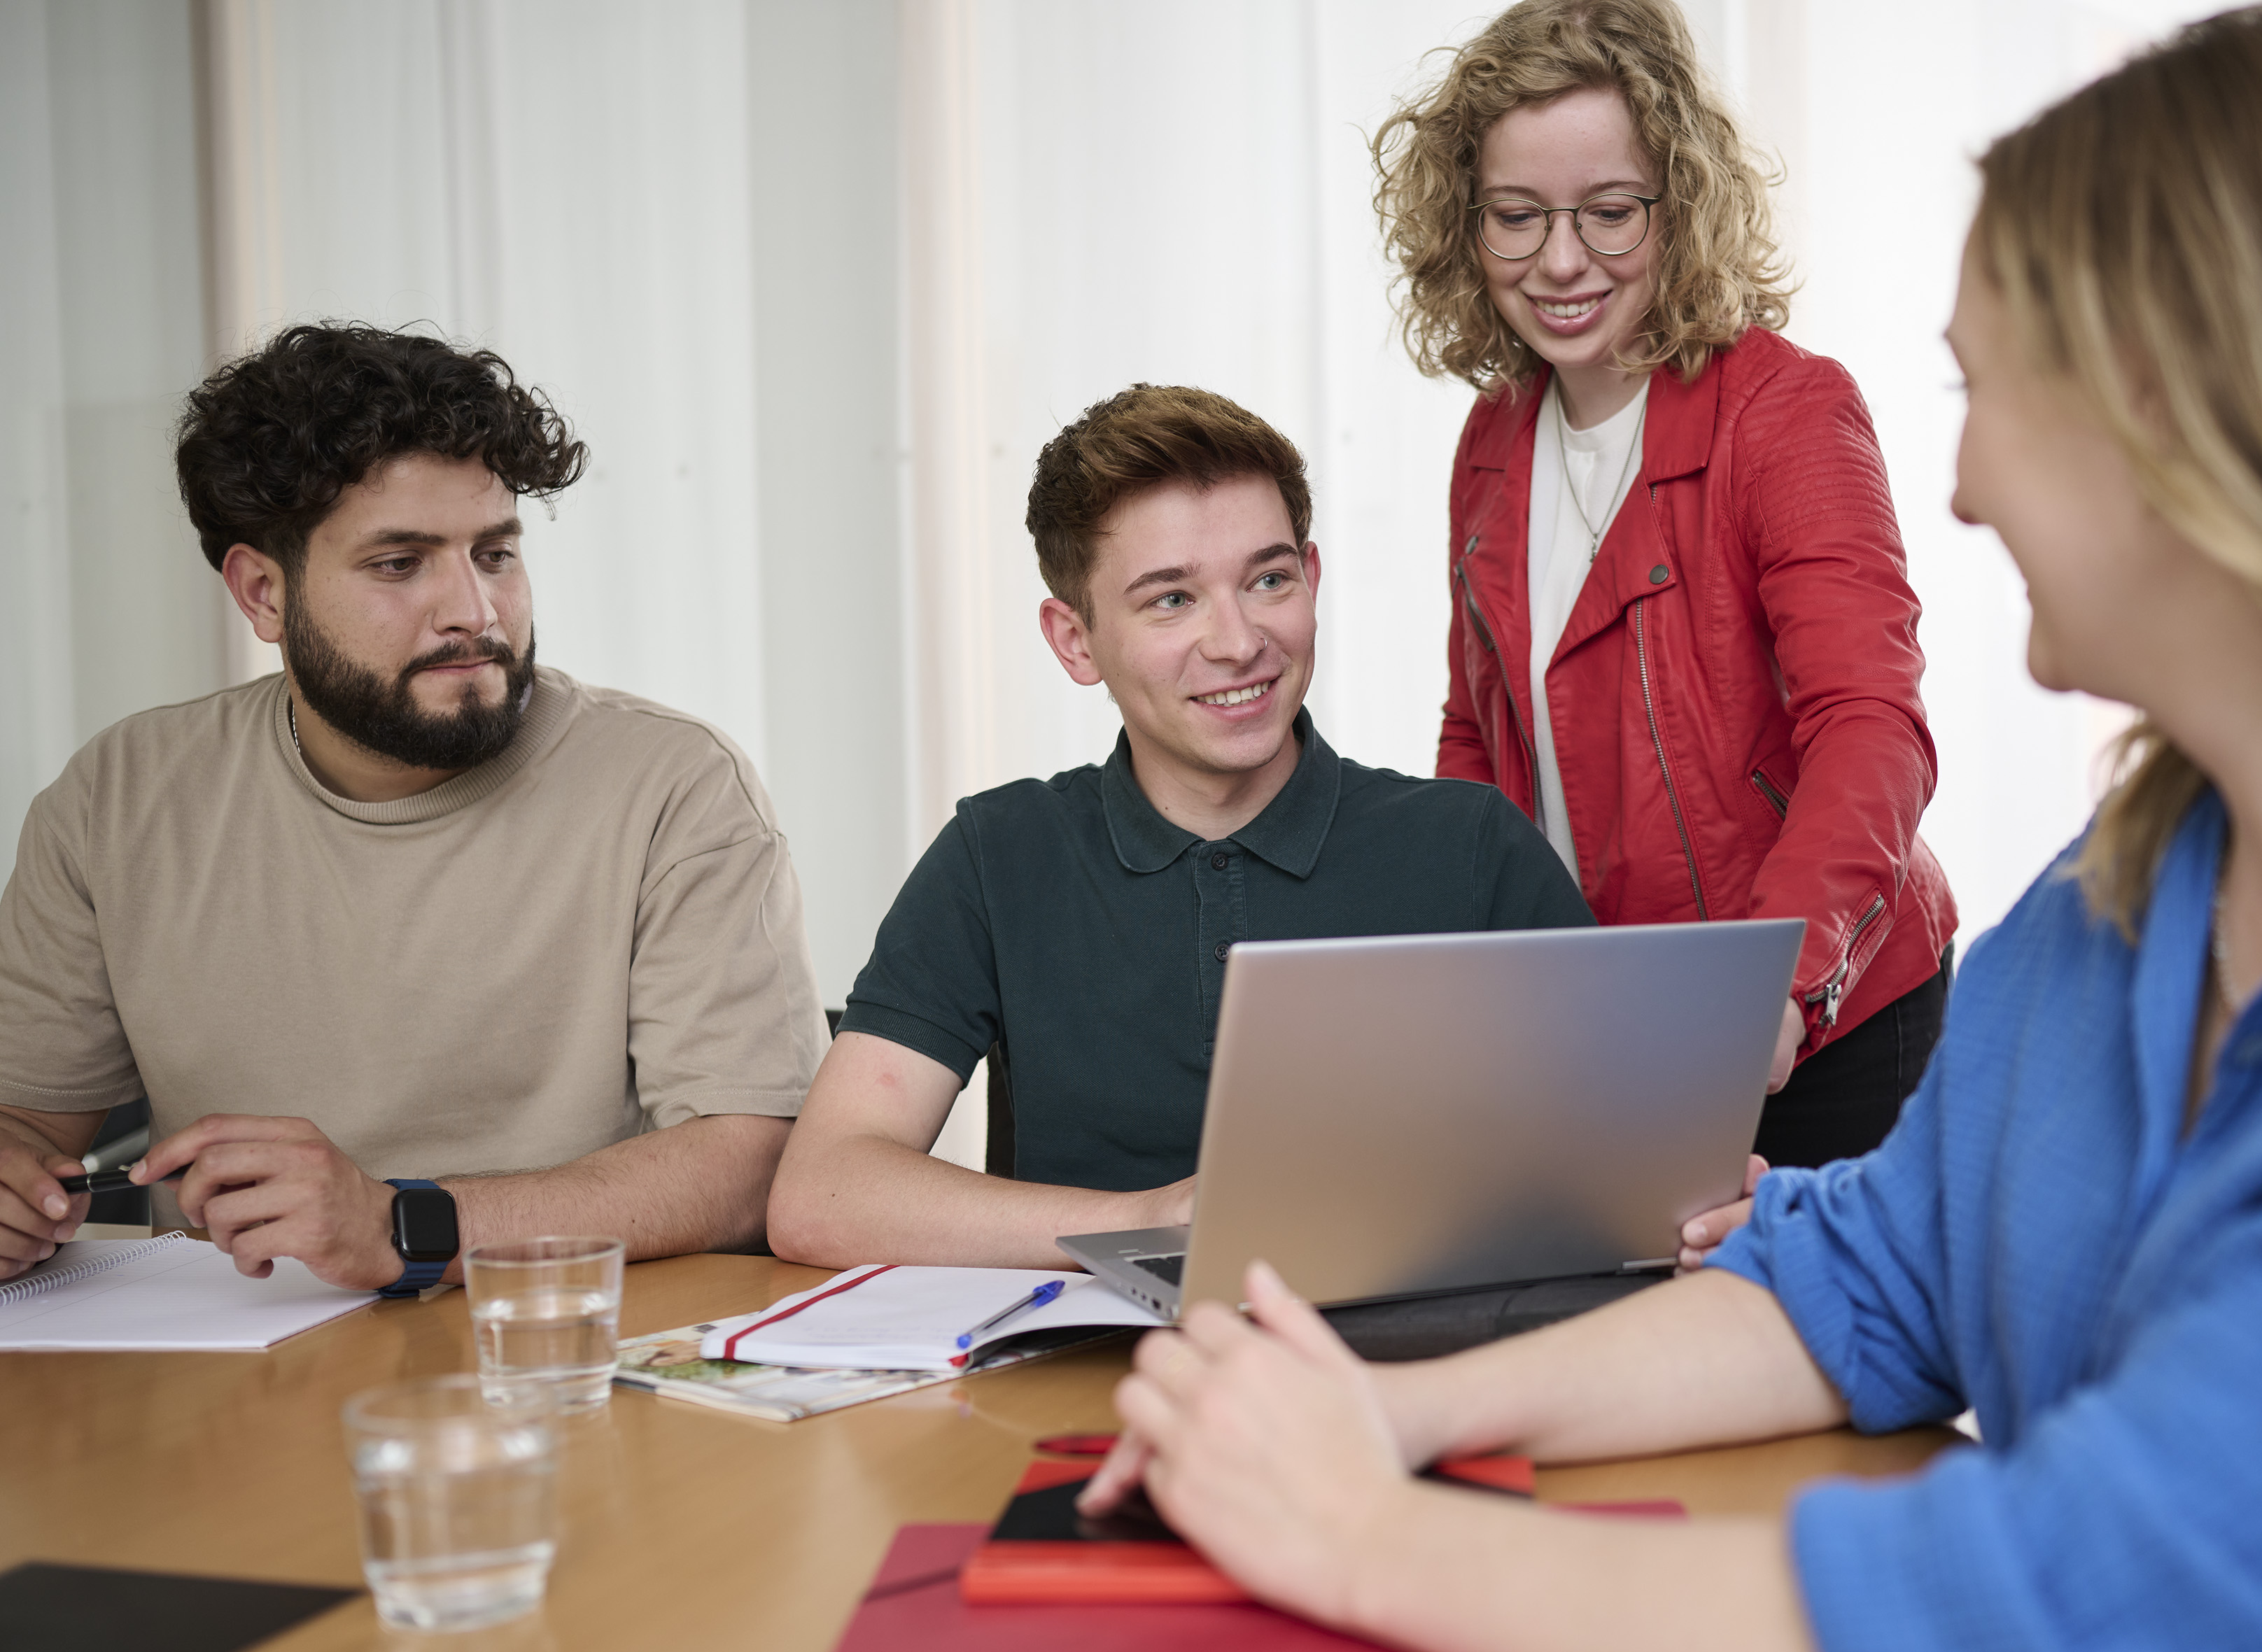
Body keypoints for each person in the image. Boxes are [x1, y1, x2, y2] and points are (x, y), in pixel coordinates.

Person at [1079, 9, 2262, 1652]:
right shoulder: (2113, 904)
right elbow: (1856, 1275)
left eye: (1988, 391)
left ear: (2203, 424)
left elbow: (2071, 1627)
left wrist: (1361, 1532)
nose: (1964, 480)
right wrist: (1383, 1412)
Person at [0, 324, 827, 1295]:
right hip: (222, 1375)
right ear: (263, 593)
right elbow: (30, 1123)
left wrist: (404, 1223)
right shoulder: (120, 800)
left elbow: (749, 1164)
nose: (472, 610)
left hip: (565, 1354)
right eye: (401, 564)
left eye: (494, 554)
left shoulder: (672, 785)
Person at [768, 385, 1601, 1278]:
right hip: (1077, 1388)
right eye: (1172, 600)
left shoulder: (1470, 845)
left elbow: (1626, 1154)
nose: (1238, 641)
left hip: (1416, 1373)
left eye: (1268, 580)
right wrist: (1152, 1221)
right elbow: (822, 1192)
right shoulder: (997, 854)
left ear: (1312, 580)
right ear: (1075, 640)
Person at [1372, 0, 1959, 1206]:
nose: (1560, 260)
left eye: (1607, 211)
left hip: (1820, 1031)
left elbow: (1868, 727)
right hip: (1606, 1038)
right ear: (1463, 224)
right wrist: (1449, 987)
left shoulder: (1785, 411)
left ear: (1677, 206)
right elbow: (1478, 743)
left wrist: (1773, 987)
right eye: (1516, 216)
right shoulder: (1490, 439)